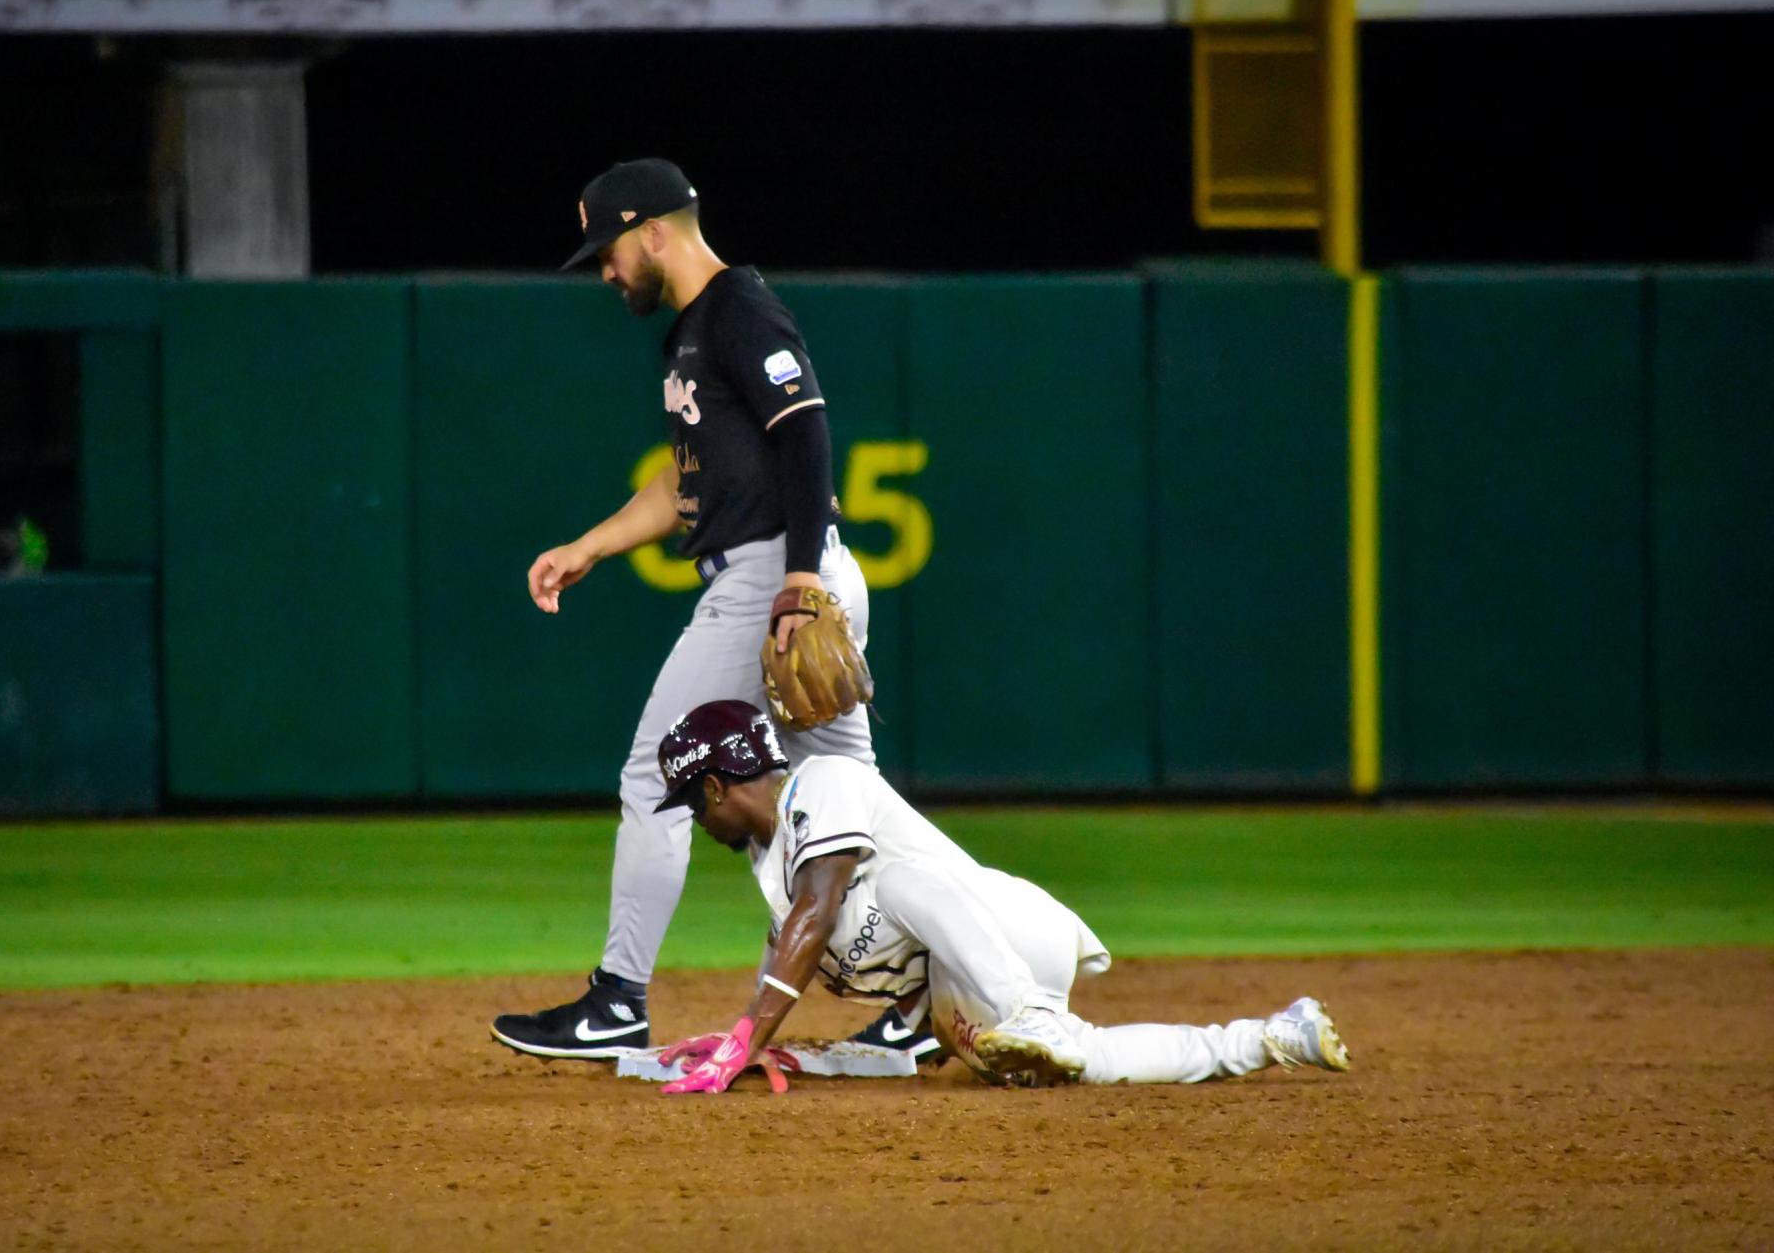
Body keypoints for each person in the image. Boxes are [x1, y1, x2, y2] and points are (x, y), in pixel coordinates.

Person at [489, 160, 931, 1061]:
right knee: (853, 796)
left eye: (607, 251)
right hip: (791, 569)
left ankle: (617, 998)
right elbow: (686, 483)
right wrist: (592, 546)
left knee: (658, 769)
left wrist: (799, 583)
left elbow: (804, 429)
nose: (605, 272)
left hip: (774, 575)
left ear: (653, 229)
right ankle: (924, 996)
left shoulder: (737, 309)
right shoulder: (697, 331)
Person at [644, 700, 1353, 1094]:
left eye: (693, 802)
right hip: (960, 988)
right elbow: (792, 933)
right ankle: (1270, 1036)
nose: (698, 819)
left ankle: (1027, 1012)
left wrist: (749, 1037)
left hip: (1009, 929)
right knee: (1089, 1061)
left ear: (714, 787)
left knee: (896, 881)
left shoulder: (821, 783)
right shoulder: (773, 866)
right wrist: (748, 1037)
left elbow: (818, 909)